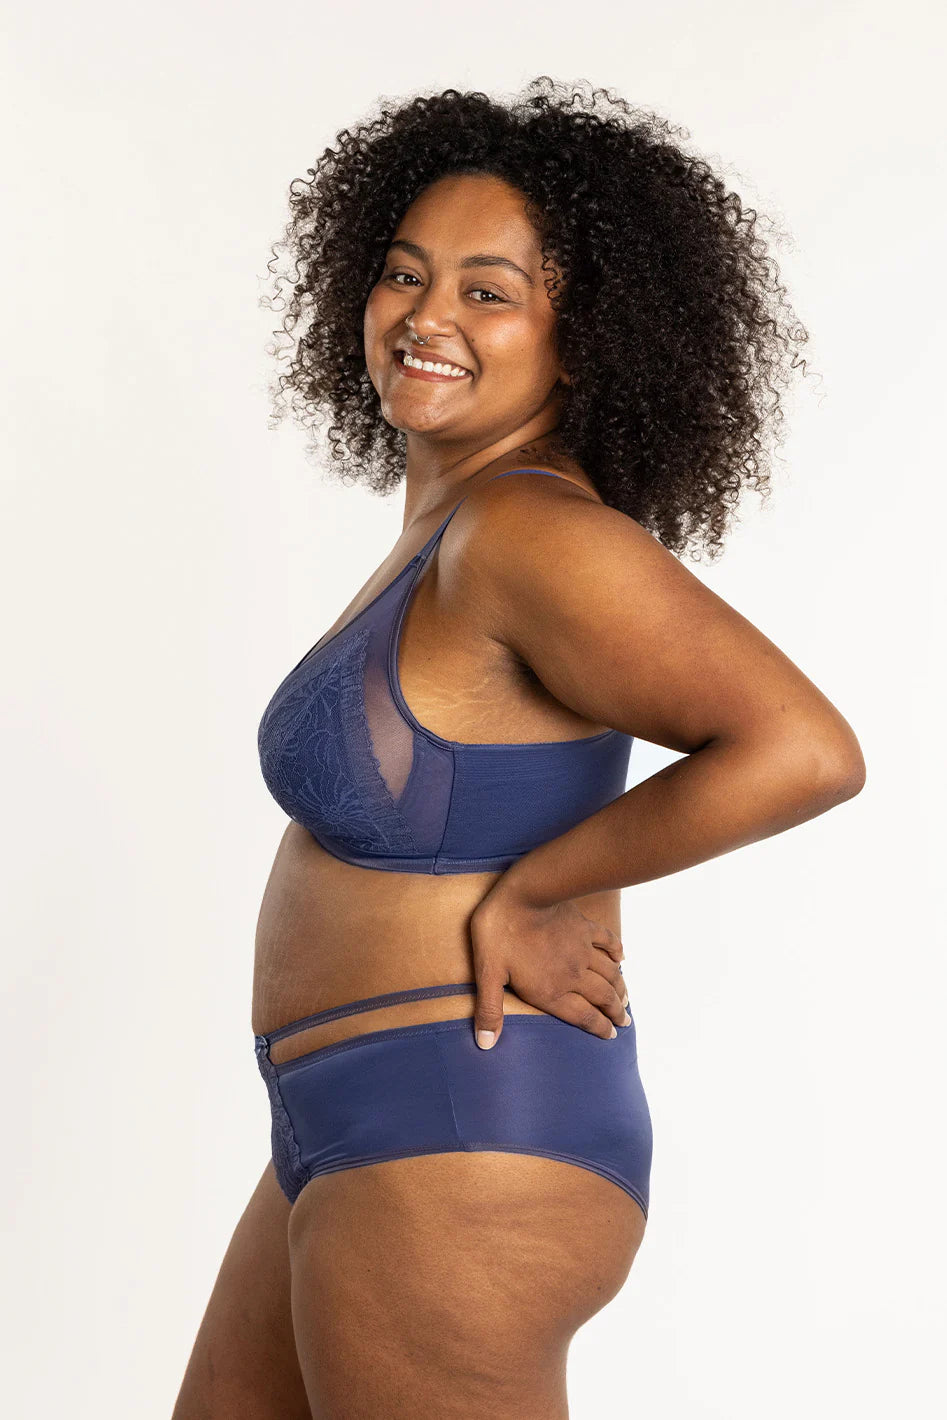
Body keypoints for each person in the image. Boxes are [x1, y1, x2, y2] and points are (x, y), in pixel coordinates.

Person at [173, 77, 865, 1418]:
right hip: (349, 1108)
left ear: (582, 338)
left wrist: (546, 887)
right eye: (404, 275)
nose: (426, 316)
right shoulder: (453, 523)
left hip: (458, 1121)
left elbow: (803, 748)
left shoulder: (526, 533)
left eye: (486, 292)